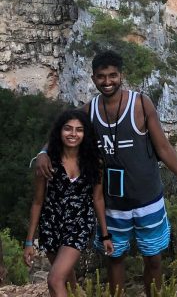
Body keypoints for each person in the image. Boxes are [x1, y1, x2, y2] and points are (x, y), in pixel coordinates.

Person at [36, 50, 177, 297]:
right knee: (114, 259)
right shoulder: (90, 110)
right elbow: (63, 128)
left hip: (148, 199)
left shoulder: (141, 105)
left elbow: (164, 148)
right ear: (93, 79)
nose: (107, 81)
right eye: (101, 76)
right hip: (112, 203)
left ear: (121, 76)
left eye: (113, 75)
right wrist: (42, 152)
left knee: (153, 259)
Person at [24, 110, 114, 297]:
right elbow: (38, 201)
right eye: (68, 129)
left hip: (79, 224)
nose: (73, 134)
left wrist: (105, 235)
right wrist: (29, 241)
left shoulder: (93, 162)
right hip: (51, 224)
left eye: (79, 130)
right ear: (59, 131)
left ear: (85, 134)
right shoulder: (47, 162)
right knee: (67, 281)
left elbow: (97, 198)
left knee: (54, 279)